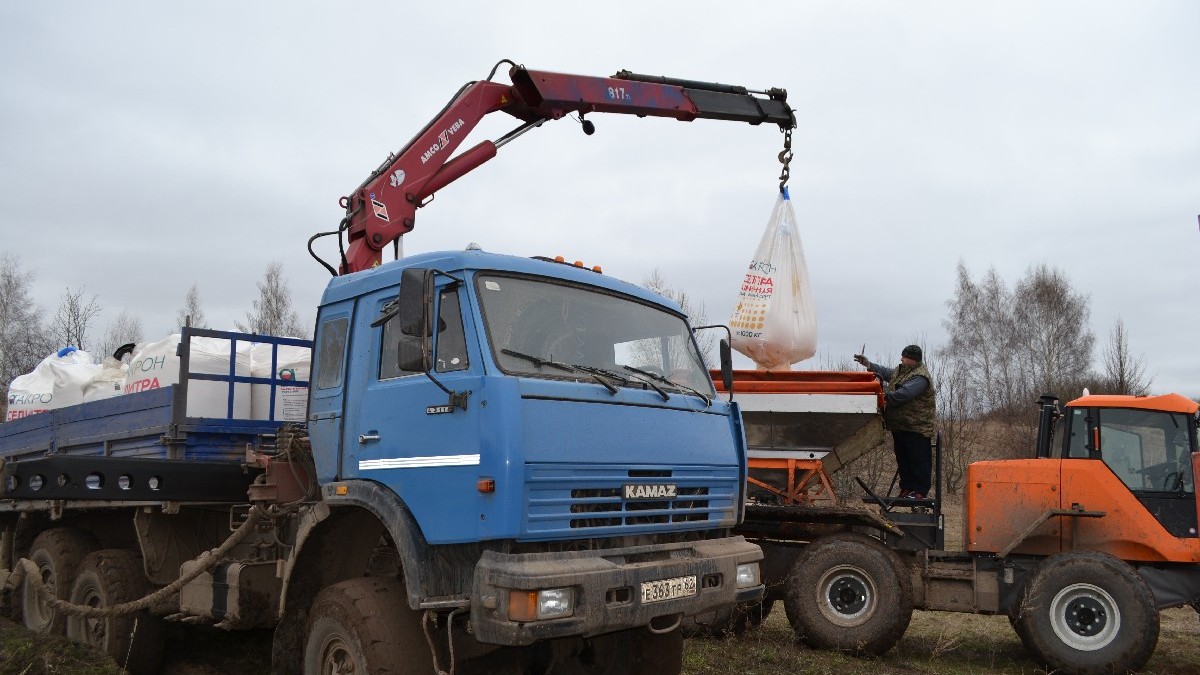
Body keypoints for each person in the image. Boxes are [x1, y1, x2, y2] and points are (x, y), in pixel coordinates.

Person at [854, 345, 936, 500]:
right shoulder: (902, 372)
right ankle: (907, 488)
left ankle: (919, 492)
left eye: (904, 357)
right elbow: (885, 373)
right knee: (904, 461)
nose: (901, 359)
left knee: (919, 461)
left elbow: (904, 395)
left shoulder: (920, 378)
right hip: (900, 427)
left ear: (912, 359)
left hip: (916, 428)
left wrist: (882, 396)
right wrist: (869, 365)